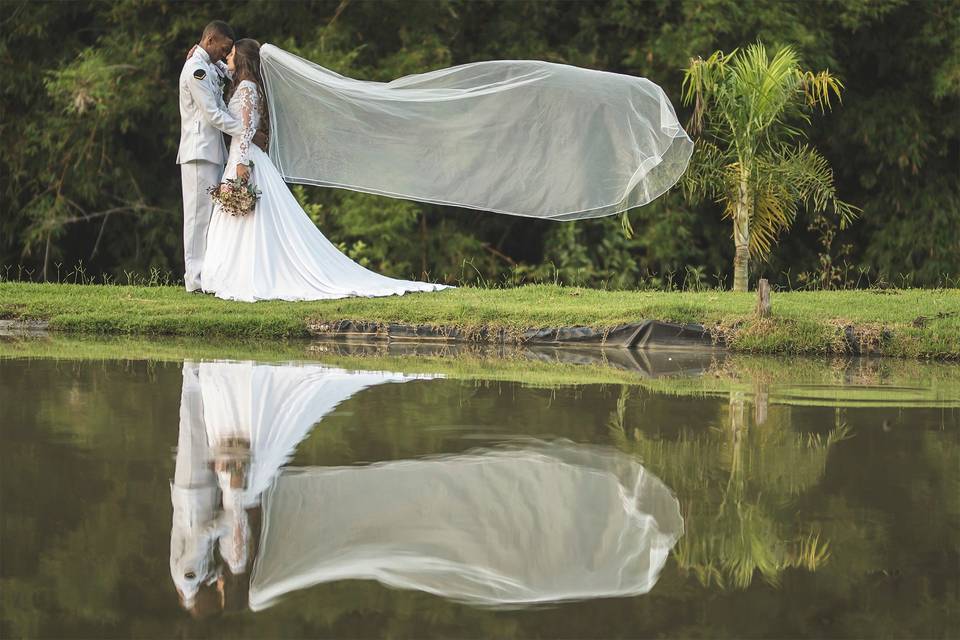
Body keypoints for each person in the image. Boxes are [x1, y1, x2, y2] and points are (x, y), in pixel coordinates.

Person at [201, 39, 451, 302]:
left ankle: (248, 274)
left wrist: (241, 163)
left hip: (245, 158)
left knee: (250, 216)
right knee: (244, 216)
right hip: (244, 155)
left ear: (241, 59)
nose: (226, 57)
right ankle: (237, 271)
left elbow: (246, 128)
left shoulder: (248, 87)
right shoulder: (244, 84)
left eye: (230, 54)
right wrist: (202, 56)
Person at [176, 21, 265, 293]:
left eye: (229, 51)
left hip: (214, 152)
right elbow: (213, 114)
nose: (224, 55)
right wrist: (247, 131)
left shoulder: (208, 64)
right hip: (198, 152)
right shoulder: (197, 69)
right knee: (196, 217)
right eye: (223, 48)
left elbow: (233, 72)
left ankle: (209, 275)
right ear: (211, 39)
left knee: (212, 217)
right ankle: (195, 279)